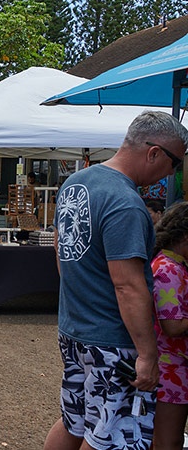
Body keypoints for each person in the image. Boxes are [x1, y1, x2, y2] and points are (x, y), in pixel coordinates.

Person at [44, 110, 188, 450]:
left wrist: (81, 294)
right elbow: (128, 285)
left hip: (74, 329)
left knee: (74, 420)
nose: (172, 174)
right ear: (154, 153)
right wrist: (148, 355)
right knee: (108, 434)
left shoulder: (76, 183)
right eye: (174, 164)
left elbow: (60, 245)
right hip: (112, 340)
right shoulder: (126, 204)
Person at [150, 202, 188, 450]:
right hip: (170, 368)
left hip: (175, 365)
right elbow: (172, 325)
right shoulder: (167, 270)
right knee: (168, 441)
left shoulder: (176, 266)